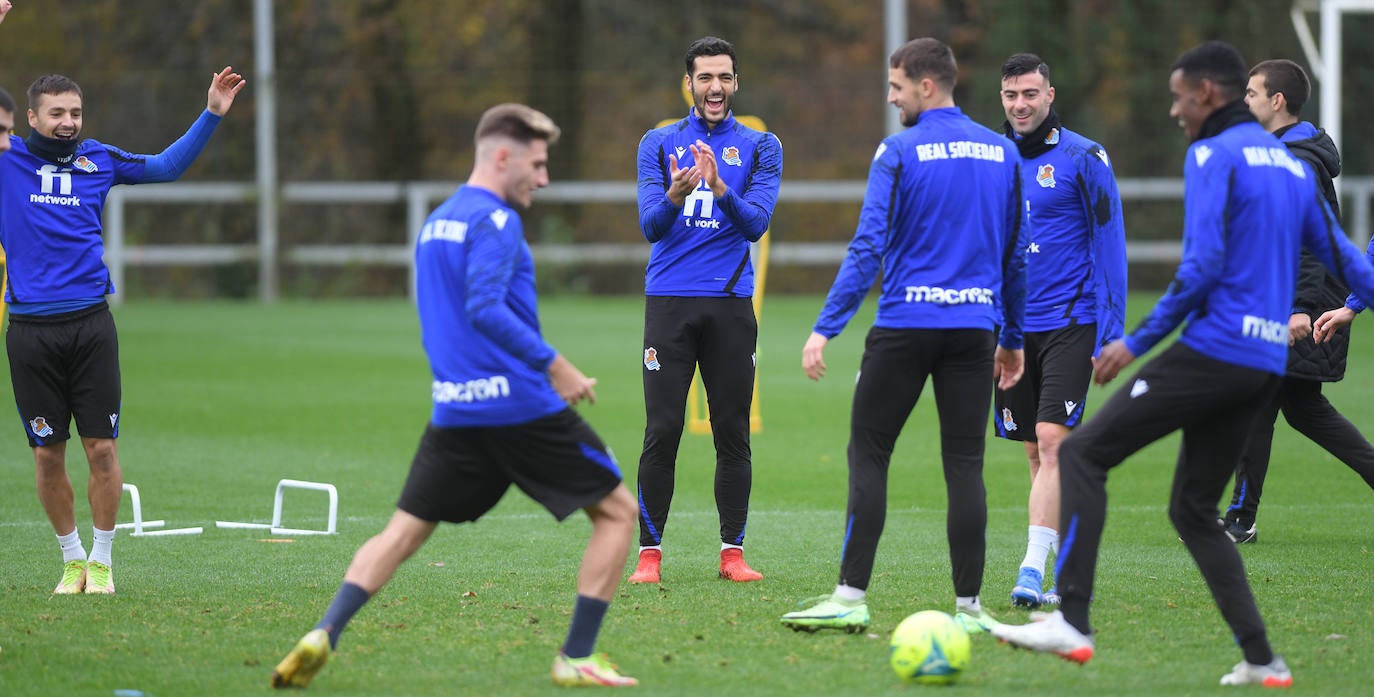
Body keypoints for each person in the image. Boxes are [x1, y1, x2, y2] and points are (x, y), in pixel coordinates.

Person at [992, 40, 1374, 688]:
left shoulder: (1210, 155)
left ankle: (1072, 621)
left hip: (1217, 350)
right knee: (1194, 509)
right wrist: (1363, 298)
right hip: (1263, 362)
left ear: (1206, 95)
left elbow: (1198, 272)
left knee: (1081, 455)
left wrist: (1134, 342)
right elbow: (1344, 254)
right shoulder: (1285, 165)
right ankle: (1262, 658)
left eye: (1178, 96)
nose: (1173, 110)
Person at [270, 104, 639, 689]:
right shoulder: (496, 221)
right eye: (537, 165)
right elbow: (484, 308)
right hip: (519, 408)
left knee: (403, 533)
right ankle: (577, 655)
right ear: (501, 156)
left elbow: (440, 320)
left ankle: (325, 631)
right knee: (620, 511)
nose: (543, 179)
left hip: (456, 409)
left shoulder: (438, 221)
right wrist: (558, 366)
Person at [780, 37, 1027, 635]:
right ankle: (969, 610)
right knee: (965, 465)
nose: (891, 99)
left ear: (926, 85)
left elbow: (868, 248)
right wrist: (1012, 337)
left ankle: (849, 597)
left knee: (870, 453)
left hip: (905, 328)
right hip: (973, 330)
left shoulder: (898, 150)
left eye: (896, 88)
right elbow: (1017, 256)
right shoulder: (1002, 152)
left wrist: (826, 326)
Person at [0, 6, 245, 596]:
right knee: (46, 458)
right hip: (30, 332)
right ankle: (71, 559)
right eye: (56, 113)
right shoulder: (7, 164)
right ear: (30, 117)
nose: (67, 122)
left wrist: (211, 114)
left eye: (76, 112)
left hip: (91, 327)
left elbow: (164, 167)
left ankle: (103, 564)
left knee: (102, 448)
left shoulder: (100, 160)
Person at [630, 35, 782, 584]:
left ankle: (732, 553)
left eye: (724, 77)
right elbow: (650, 226)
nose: (714, 87)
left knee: (731, 431)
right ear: (688, 83)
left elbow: (755, 224)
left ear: (736, 83)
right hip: (669, 305)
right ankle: (649, 555)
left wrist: (719, 187)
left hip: (730, 307)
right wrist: (674, 194)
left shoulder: (763, 146)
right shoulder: (657, 142)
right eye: (705, 78)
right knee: (663, 428)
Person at [1221, 58, 1374, 543]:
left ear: (1276, 101)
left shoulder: (1297, 162)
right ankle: (1238, 519)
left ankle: (1239, 521)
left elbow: (1308, 246)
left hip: (1300, 304)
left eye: (1251, 93)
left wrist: (1298, 309)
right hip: (1287, 301)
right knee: (1303, 410)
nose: (1245, 101)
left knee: (1257, 403)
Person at [994, 53, 1127, 608]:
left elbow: (1110, 245)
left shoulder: (1083, 157)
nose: (1020, 105)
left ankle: (1029, 570)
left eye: (1030, 94)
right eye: (1011, 95)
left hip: (1073, 323)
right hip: (1010, 334)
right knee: (1033, 451)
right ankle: (1058, 563)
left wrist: (1111, 333)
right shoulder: (990, 159)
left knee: (1053, 442)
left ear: (1051, 96)